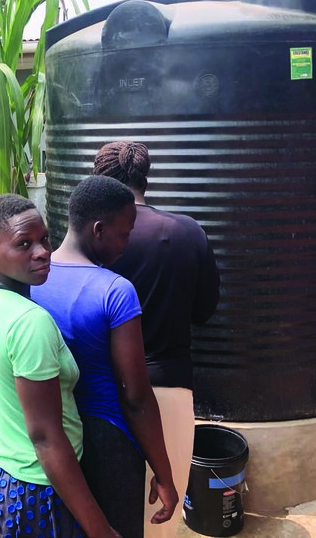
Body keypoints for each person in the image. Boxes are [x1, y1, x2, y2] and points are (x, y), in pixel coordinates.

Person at [0, 193, 121, 538]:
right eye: (24, 244)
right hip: (35, 494)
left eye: (44, 239)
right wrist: (101, 530)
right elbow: (47, 438)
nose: (42, 251)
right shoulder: (29, 322)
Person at [31, 175, 178, 538]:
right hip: (106, 441)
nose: (127, 244)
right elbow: (135, 397)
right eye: (124, 233)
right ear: (98, 230)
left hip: (57, 439)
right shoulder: (115, 292)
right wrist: (164, 473)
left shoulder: (30, 281)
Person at [93, 141, 220, 536]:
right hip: (170, 390)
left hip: (104, 396)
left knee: (109, 510)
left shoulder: (92, 238)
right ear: (146, 179)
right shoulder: (188, 232)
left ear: (99, 181)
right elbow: (204, 312)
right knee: (164, 516)